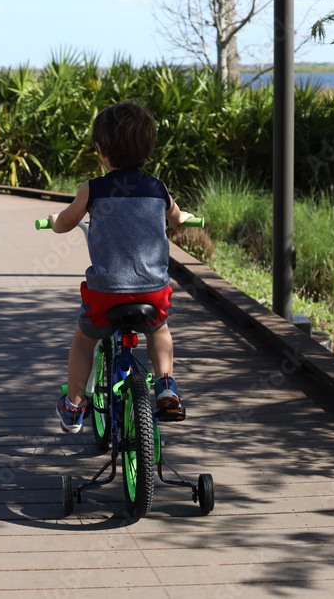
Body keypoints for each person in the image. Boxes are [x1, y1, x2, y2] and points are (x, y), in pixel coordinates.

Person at [49, 99, 193, 434]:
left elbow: (66, 223)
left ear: (100, 149)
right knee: (159, 331)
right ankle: (166, 385)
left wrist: (55, 221)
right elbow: (177, 218)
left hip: (106, 294)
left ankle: (73, 406)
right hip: (152, 292)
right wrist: (184, 217)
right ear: (148, 149)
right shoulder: (158, 189)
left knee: (84, 339)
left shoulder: (93, 190)